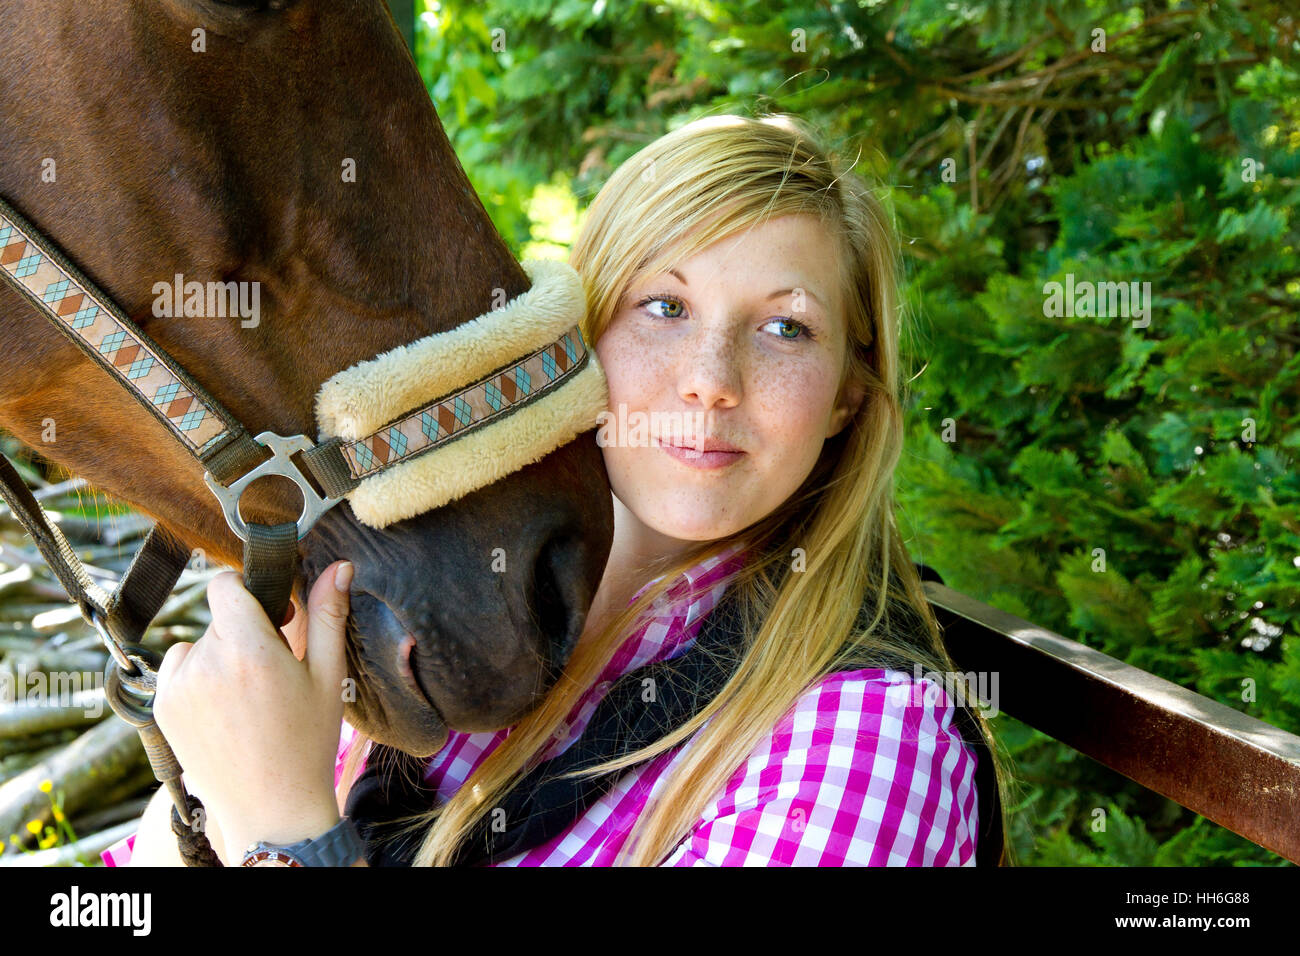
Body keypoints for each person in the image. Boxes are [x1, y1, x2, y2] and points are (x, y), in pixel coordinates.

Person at [111, 112, 1012, 867]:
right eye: (665, 307)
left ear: (849, 398)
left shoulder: (865, 740)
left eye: (785, 327)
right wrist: (198, 806)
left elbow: (277, 817)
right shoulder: (470, 593)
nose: (711, 379)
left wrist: (280, 827)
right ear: (575, 329)